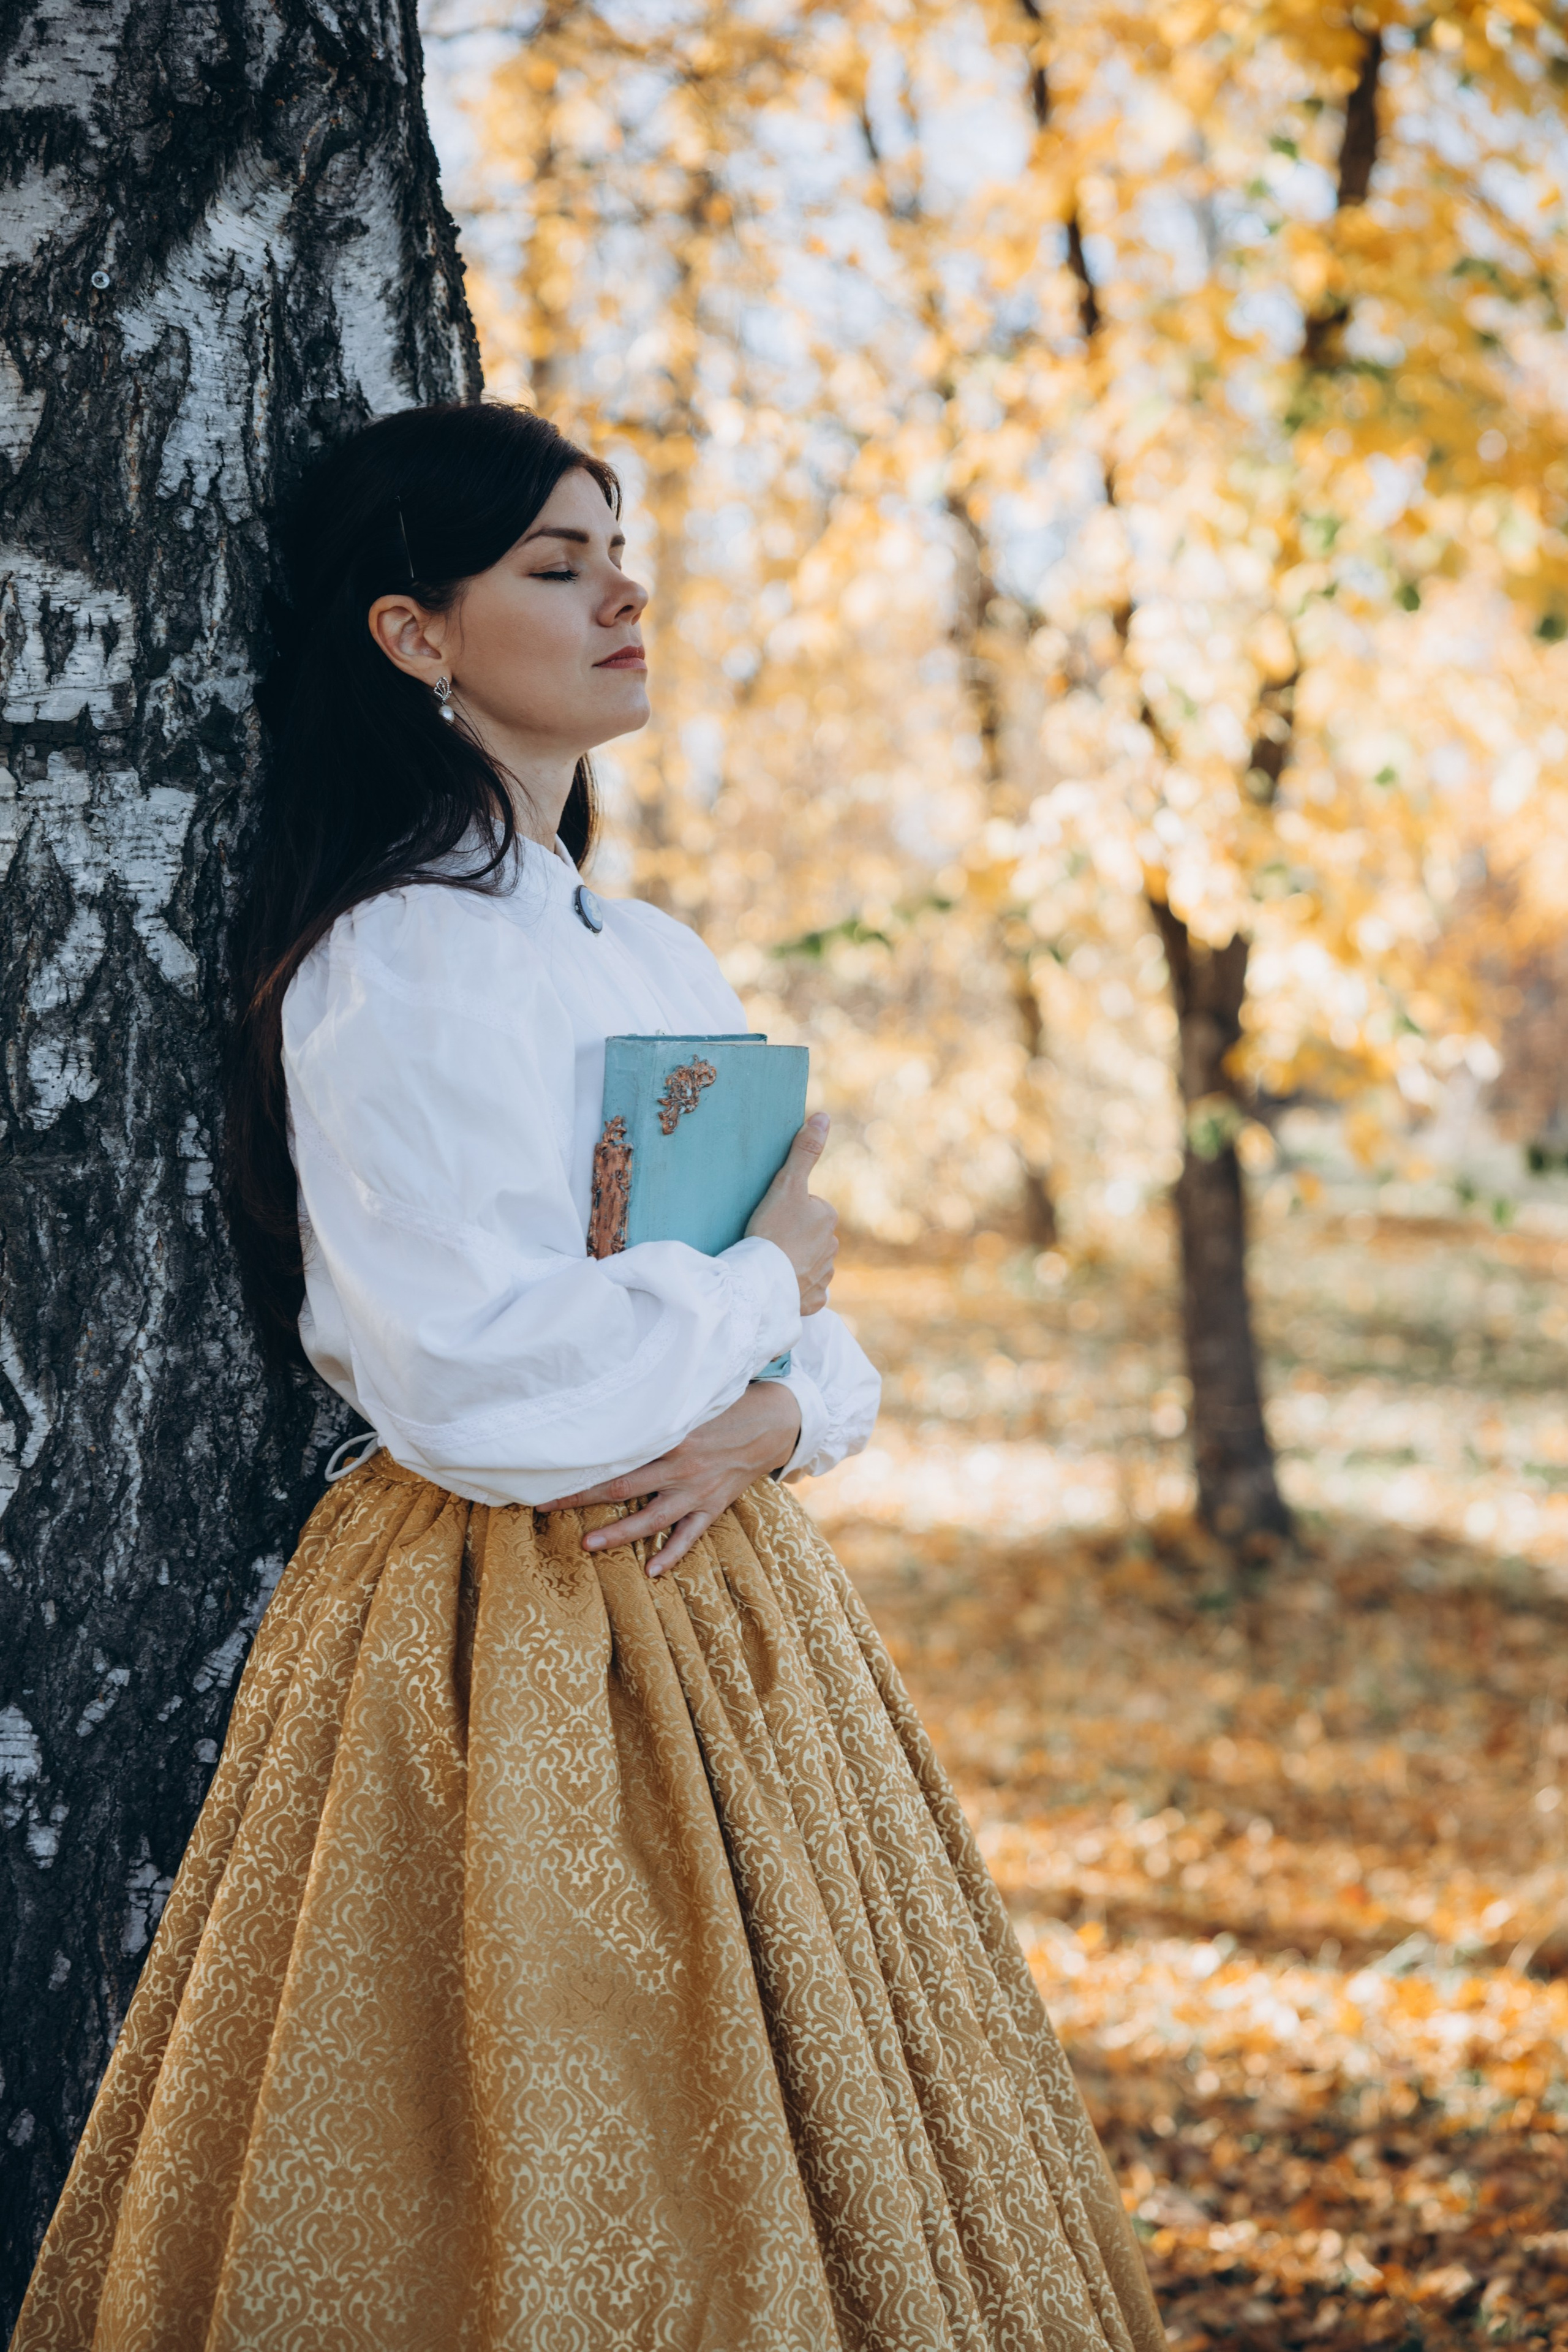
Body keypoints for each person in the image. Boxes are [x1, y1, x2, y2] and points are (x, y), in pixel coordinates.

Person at [12, 403, 1163, 2352]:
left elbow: (813, 1325)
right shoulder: (398, 956)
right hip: (495, 1620)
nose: (619, 591)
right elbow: (476, 1382)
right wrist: (759, 1292)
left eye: (612, 549)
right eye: (553, 565)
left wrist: (787, 1398)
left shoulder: (648, 947)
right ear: (415, 634)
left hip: (726, 1592)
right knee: (530, 2110)